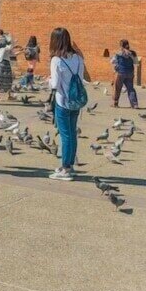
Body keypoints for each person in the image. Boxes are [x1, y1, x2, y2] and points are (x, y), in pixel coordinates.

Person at [47, 27, 86, 181]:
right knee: (72, 133)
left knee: (65, 135)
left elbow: (55, 83)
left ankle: (66, 168)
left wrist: (48, 81)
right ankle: (69, 165)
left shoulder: (56, 60)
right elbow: (81, 79)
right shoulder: (78, 58)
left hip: (62, 100)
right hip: (76, 100)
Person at [111, 40, 139, 108]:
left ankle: (115, 103)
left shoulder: (118, 53)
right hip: (130, 73)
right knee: (130, 89)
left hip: (120, 73)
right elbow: (136, 62)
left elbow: (112, 61)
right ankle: (134, 104)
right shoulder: (133, 53)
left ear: (121, 46)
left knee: (117, 88)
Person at [0, 30, 16, 101]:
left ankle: (2, 95)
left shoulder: (0, 43)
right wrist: (11, 40)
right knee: (3, 79)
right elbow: (9, 48)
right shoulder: (3, 45)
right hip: (3, 62)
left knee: (2, 79)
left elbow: (11, 53)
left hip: (2, 62)